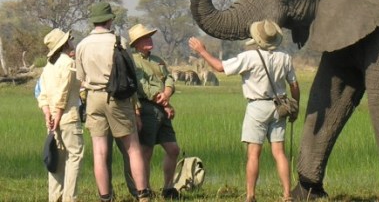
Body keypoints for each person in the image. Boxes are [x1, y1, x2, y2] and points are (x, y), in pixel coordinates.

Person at [188, 19, 299, 202]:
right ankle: (287, 195)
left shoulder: (249, 57)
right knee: (279, 152)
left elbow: (219, 67)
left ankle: (250, 196)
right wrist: (294, 108)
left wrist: (202, 51)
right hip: (280, 107)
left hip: (257, 107)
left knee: (254, 154)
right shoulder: (285, 57)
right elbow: (294, 85)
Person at [75, 2, 152, 202]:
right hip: (118, 98)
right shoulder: (119, 41)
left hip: (93, 98)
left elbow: (81, 77)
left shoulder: (82, 45)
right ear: (109, 19)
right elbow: (130, 76)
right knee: (133, 148)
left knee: (99, 152)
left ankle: (105, 197)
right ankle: (143, 195)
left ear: (94, 21)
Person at [128, 23, 181, 199]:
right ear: (136, 43)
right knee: (146, 151)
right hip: (147, 109)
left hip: (162, 109)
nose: (149, 39)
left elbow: (169, 78)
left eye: (149, 36)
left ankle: (168, 187)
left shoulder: (157, 60)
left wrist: (167, 93)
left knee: (173, 149)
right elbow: (141, 87)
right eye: (144, 38)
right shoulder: (134, 62)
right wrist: (164, 103)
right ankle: (145, 189)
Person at [37, 28, 84, 202]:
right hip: (67, 116)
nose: (72, 41)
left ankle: (54, 197)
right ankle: (69, 198)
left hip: (53, 118)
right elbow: (64, 91)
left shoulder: (48, 66)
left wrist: (47, 113)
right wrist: (57, 114)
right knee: (75, 156)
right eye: (69, 39)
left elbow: (42, 93)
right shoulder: (68, 63)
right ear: (64, 44)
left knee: (56, 159)